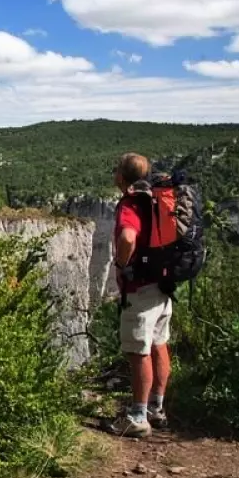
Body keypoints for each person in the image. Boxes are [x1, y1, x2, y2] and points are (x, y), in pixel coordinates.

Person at [109, 152, 171, 438]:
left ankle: (137, 416)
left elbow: (127, 238)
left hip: (141, 288)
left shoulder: (130, 204)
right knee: (159, 344)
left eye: (116, 171)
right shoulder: (155, 199)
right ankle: (156, 409)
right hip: (163, 285)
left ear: (122, 177)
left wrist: (121, 265)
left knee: (138, 351)